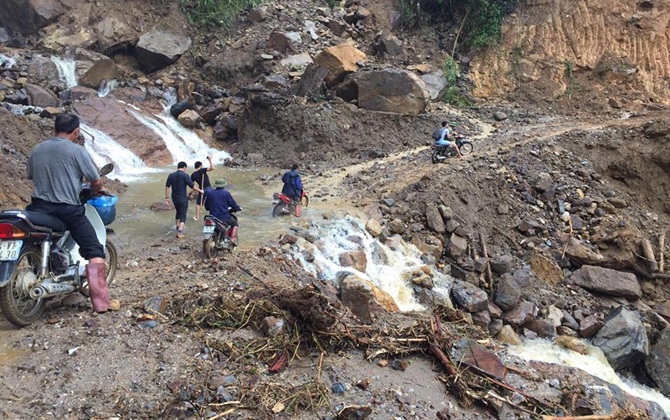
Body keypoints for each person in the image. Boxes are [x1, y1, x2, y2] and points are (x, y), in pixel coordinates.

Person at [25, 113, 111, 313]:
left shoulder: (37, 149)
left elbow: (30, 175)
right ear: (76, 131)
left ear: (54, 129)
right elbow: (95, 180)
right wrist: (98, 188)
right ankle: (101, 303)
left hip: (37, 207)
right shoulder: (77, 151)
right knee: (94, 250)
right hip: (67, 210)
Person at [165, 161, 202, 238]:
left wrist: (167, 198)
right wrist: (200, 190)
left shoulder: (171, 175)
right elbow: (192, 186)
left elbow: (167, 187)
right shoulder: (185, 175)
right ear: (184, 167)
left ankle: (177, 227)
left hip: (174, 197)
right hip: (182, 197)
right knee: (183, 214)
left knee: (178, 211)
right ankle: (180, 232)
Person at [204, 179, 241, 246]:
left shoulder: (210, 193)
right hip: (223, 217)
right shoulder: (226, 193)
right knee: (234, 223)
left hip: (212, 217)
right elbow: (232, 203)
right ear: (224, 186)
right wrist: (237, 208)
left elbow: (206, 206)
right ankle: (232, 240)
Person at [191, 156, 214, 221]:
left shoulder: (193, 175)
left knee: (198, 204)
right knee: (212, 202)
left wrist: (194, 191)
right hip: (209, 189)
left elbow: (192, 185)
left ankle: (197, 217)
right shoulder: (202, 170)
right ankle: (212, 216)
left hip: (201, 190)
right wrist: (210, 160)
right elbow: (212, 168)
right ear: (200, 166)